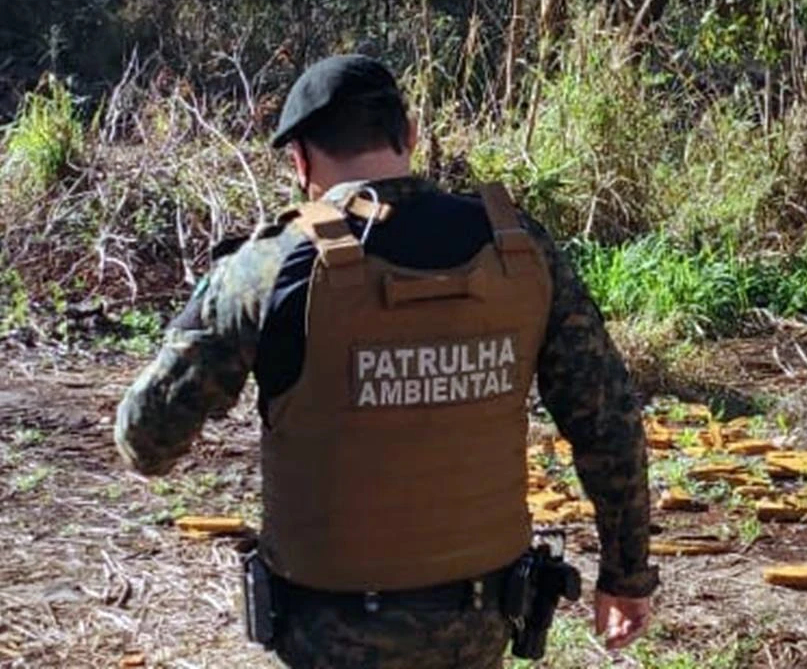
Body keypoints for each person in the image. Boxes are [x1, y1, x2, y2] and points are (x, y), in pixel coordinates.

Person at [114, 54, 658, 668]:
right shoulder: (519, 251)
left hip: (327, 632)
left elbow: (144, 441)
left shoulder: (269, 266)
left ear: (299, 161)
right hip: (482, 619)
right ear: (410, 135)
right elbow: (608, 420)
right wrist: (626, 574)